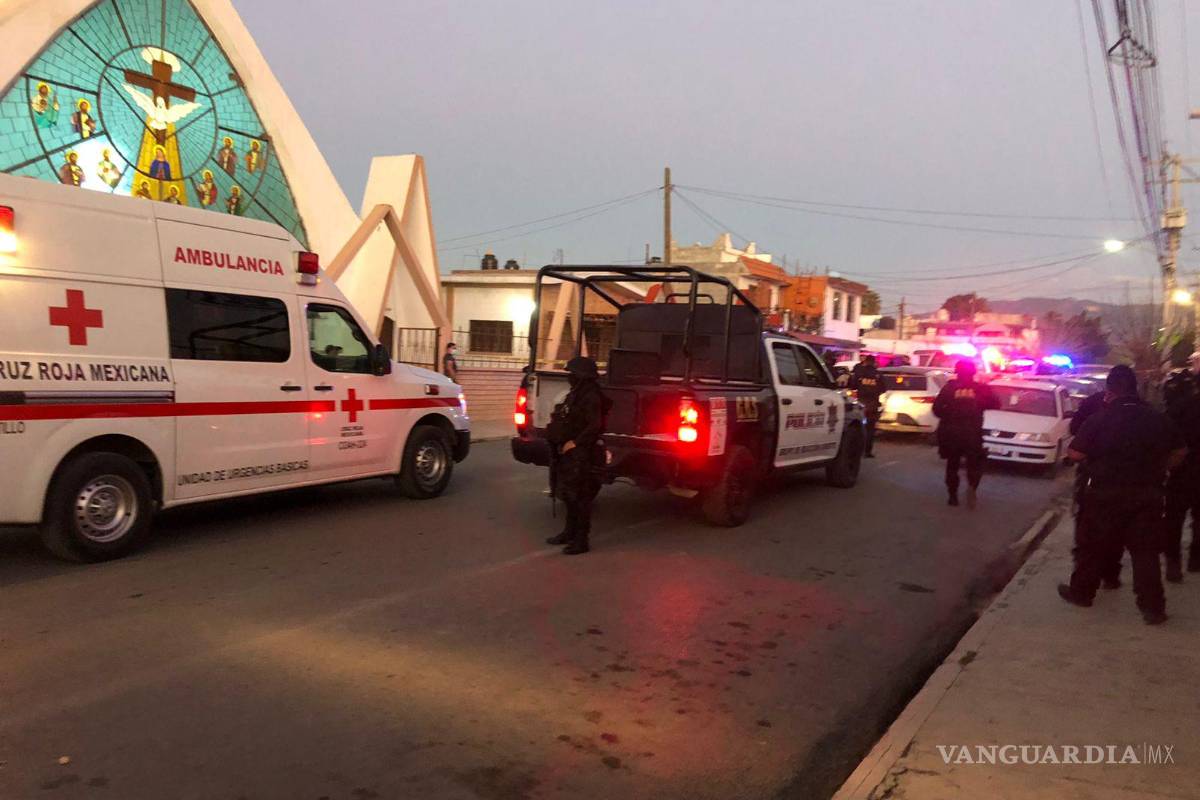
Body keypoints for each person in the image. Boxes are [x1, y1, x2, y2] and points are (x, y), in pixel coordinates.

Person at [1059, 365, 1184, 625]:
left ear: (1109, 391)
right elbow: (1180, 451)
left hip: (1104, 494)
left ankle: (1082, 593)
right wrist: (1161, 466)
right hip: (1146, 495)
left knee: (1091, 548)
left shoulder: (1100, 419)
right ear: (1135, 389)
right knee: (1145, 553)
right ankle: (1153, 609)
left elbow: (1075, 453)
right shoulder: (1157, 418)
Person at [545, 356, 609, 555]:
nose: (570, 377)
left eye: (573, 373)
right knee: (568, 495)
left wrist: (576, 443)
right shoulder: (577, 393)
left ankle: (581, 540)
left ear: (582, 375)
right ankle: (569, 532)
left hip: (582, 453)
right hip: (569, 450)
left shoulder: (591, 396)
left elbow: (594, 425)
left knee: (581, 497)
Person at [1069, 388, 1122, 589]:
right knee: (1116, 528)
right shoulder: (1143, 411)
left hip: (1094, 477)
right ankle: (1110, 574)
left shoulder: (1094, 408)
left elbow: (1075, 435)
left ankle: (1084, 581)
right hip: (1126, 479)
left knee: (1087, 531)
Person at [932, 359, 999, 508]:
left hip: (951, 434)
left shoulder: (949, 388)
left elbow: (936, 409)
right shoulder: (981, 389)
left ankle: (952, 496)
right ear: (973, 372)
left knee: (952, 465)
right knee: (974, 464)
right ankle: (972, 487)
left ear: (957, 372)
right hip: (972, 433)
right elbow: (996, 403)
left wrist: (950, 414)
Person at [1162, 369, 1200, 581]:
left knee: (1174, 520)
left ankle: (1173, 564)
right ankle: (1196, 559)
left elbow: (1166, 437)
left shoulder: (1178, 409)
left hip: (1181, 470)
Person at [850, 354, 886, 458]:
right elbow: (883, 389)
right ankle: (867, 451)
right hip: (872, 405)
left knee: (858, 428)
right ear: (874, 362)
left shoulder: (860, 373)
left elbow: (853, 386)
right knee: (870, 429)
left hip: (861, 404)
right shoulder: (878, 374)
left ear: (865, 362)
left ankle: (856, 450)